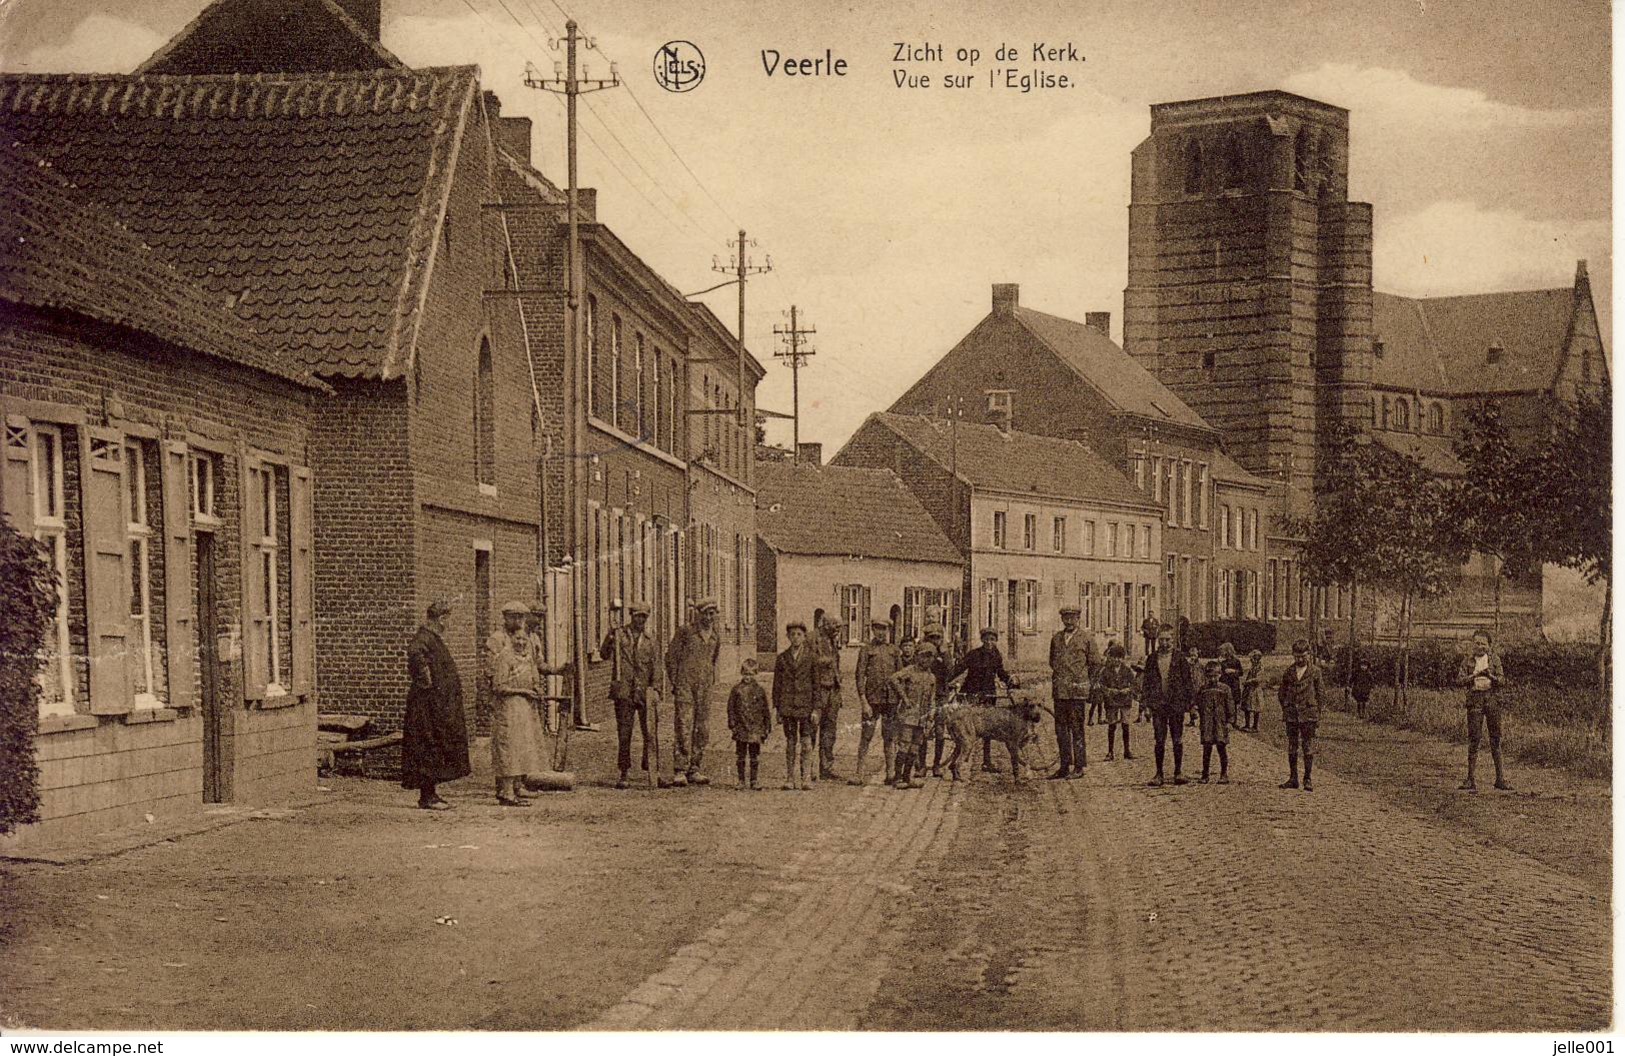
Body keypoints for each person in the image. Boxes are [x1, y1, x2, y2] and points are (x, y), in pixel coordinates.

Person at [401, 598, 470, 810]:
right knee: (426, 745)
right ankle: (427, 796)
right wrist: (426, 681)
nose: (449, 624)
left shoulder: (433, 639)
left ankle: (431, 793)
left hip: (436, 705)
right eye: (448, 619)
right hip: (426, 706)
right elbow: (415, 654)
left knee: (436, 745)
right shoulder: (424, 638)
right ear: (441, 619)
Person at [601, 602, 667, 790]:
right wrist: (609, 637)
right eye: (637, 616)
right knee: (624, 733)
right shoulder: (620, 635)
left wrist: (656, 689)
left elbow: (656, 667)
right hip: (624, 691)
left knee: (650, 733)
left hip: (644, 691)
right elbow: (605, 654)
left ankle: (652, 770)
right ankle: (623, 772)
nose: (640, 620)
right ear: (631, 616)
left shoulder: (651, 640)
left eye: (644, 617)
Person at [488, 601, 544, 806]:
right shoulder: (499, 644)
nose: (521, 641)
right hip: (507, 704)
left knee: (522, 745)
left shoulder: (526, 648)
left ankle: (517, 786)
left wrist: (536, 687)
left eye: (522, 618)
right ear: (506, 618)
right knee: (507, 746)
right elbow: (495, 678)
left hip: (523, 705)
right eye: (515, 617)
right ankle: (505, 790)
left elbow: (535, 669)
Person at [666, 598, 721, 787]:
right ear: (698, 614)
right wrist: (676, 681)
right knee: (684, 725)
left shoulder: (715, 636)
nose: (709, 617)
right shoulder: (686, 632)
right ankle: (680, 769)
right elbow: (671, 657)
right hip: (685, 686)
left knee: (702, 728)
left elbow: (712, 660)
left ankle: (695, 768)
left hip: (704, 688)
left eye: (712, 613)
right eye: (705, 613)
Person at [950, 628, 1018, 773]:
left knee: (988, 728)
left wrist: (1009, 680)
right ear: (982, 640)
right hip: (971, 693)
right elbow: (959, 669)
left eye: (992, 639)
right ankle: (958, 759)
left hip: (988, 694)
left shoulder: (996, 655)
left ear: (995, 641)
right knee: (967, 728)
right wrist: (946, 681)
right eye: (986, 639)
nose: (989, 642)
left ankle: (986, 762)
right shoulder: (973, 654)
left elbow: (1000, 672)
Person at [1456, 629, 1510, 791]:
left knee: (1495, 739)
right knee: (1474, 739)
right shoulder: (1467, 661)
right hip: (1475, 701)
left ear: (1489, 645)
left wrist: (1490, 676)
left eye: (1483, 643)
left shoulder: (1494, 660)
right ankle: (1470, 779)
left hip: (1492, 700)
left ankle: (1500, 779)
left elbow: (1502, 680)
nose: (1479, 646)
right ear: (1472, 644)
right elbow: (1459, 680)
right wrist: (1473, 676)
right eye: (1476, 643)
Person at [1141, 628, 1195, 786]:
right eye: (1162, 640)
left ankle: (1178, 772)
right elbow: (1147, 684)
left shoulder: (1180, 659)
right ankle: (1159, 774)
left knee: (1177, 739)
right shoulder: (1152, 659)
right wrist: (1146, 705)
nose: (1164, 643)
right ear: (1158, 640)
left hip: (1176, 705)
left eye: (1168, 640)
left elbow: (1188, 683)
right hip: (1158, 705)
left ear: (1173, 641)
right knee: (1159, 740)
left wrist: (1191, 705)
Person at [1048, 604, 1096, 778]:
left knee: (1077, 729)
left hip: (1077, 692)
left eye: (1072, 618)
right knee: (1061, 730)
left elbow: (1095, 664)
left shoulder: (1086, 638)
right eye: (1065, 618)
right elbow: (1052, 662)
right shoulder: (1056, 639)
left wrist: (1083, 680)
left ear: (1078, 619)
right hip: (1060, 691)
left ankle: (1079, 767)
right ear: (1062, 619)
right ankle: (1064, 765)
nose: (1069, 621)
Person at [852, 619, 901, 786]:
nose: (881, 632)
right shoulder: (866, 650)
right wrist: (863, 701)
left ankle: (891, 773)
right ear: (872, 629)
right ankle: (859, 774)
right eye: (878, 629)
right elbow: (859, 676)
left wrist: (900, 700)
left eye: (884, 629)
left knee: (889, 738)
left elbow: (900, 676)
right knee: (866, 736)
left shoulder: (894, 651)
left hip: (890, 701)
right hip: (872, 700)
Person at [772, 621, 817, 791]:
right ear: (788, 637)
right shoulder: (782, 658)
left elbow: (816, 685)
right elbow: (777, 685)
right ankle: (790, 778)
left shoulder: (811, 658)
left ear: (804, 637)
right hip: (788, 706)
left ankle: (806, 778)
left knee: (806, 743)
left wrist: (816, 709)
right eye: (792, 634)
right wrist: (777, 708)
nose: (796, 637)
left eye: (799, 634)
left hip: (806, 706)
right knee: (790, 742)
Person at [889, 642, 939, 790]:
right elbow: (893, 679)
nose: (926, 660)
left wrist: (930, 716)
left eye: (930, 658)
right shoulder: (910, 671)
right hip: (908, 715)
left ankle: (907, 776)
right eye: (923, 656)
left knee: (915, 747)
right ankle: (897, 777)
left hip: (921, 717)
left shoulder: (931, 677)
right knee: (904, 745)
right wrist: (904, 698)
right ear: (917, 657)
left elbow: (932, 699)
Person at [1277, 639, 1323, 792]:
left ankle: (1307, 778)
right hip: (1292, 714)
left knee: (1308, 746)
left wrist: (1317, 713)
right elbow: (1281, 693)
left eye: (1303, 656)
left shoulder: (1315, 671)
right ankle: (1293, 778)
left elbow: (1320, 694)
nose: (1300, 659)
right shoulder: (1289, 672)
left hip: (1308, 714)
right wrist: (1286, 706)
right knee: (1292, 746)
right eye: (1297, 656)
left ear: (1308, 654)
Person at [728, 658, 771, 790]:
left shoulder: (760, 690)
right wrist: (732, 724)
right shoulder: (736, 690)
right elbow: (731, 708)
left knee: (754, 755)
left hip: (755, 728)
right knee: (740, 755)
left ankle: (754, 780)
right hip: (741, 727)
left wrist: (767, 726)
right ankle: (741, 780)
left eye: (751, 674)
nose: (747, 677)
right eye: (745, 674)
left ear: (755, 674)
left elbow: (765, 710)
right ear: (741, 673)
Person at [811, 616, 845, 781]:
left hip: (833, 690)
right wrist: (824, 661)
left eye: (838, 627)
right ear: (825, 625)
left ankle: (826, 767)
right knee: (812, 728)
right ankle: (809, 769)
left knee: (829, 731)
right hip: (818, 690)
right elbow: (807, 661)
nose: (837, 629)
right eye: (834, 626)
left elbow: (836, 664)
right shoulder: (812, 638)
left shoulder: (833, 641)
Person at [1195, 659, 1236, 784]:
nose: (1213, 679)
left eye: (1215, 676)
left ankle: (1224, 774)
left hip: (1220, 723)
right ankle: (1205, 774)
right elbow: (1198, 703)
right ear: (1206, 676)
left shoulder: (1225, 689)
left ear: (1220, 675)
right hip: (1207, 723)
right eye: (1210, 677)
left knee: (1221, 748)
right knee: (1207, 749)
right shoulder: (1203, 689)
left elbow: (1230, 706)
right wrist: (1195, 711)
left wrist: (1230, 721)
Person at [1099, 641, 1136, 760]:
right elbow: (1101, 685)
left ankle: (1127, 750)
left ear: (1123, 659)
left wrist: (1128, 689)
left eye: (1119, 658)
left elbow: (1135, 685)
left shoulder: (1127, 670)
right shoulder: (1105, 671)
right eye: (1114, 657)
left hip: (1125, 700)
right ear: (1110, 658)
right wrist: (1110, 691)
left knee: (1125, 725)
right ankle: (1110, 752)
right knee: (1112, 726)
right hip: (1111, 701)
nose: (1117, 660)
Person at [1241, 649, 1264, 731]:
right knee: (1247, 707)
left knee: (1256, 708)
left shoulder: (1260, 667)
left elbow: (1258, 679)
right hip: (1249, 689)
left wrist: (1248, 681)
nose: (1251, 660)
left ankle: (1255, 726)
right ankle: (1247, 725)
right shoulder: (1252, 667)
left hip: (1255, 689)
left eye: (1252, 659)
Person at [1186, 645, 1204, 727]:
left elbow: (1203, 675)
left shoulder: (1200, 665)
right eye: (1191, 655)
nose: (1193, 657)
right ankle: (1192, 720)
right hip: (1191, 685)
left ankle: (1202, 720)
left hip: (1199, 685)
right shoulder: (1188, 665)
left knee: (1199, 703)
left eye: (1194, 655)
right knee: (1191, 703)